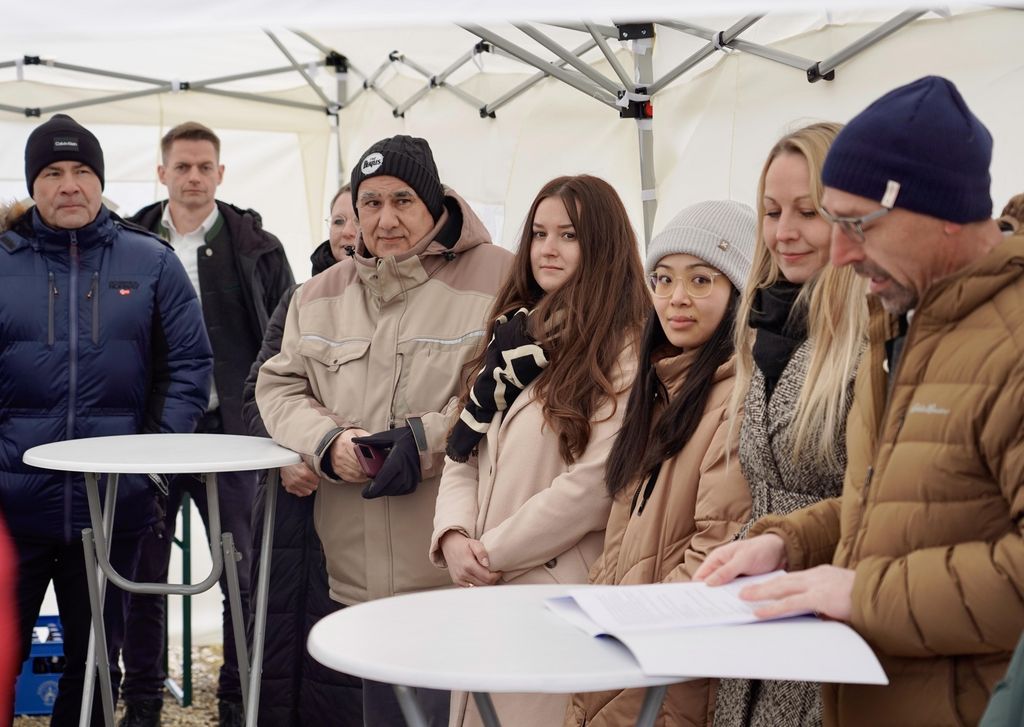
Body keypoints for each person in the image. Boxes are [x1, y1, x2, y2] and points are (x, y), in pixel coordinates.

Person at [695, 76, 1024, 726]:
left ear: (945, 213)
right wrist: (791, 541)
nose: (840, 254)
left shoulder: (1011, 342)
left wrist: (863, 594)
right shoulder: (903, 325)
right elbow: (894, 507)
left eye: (857, 225)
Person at [256, 135, 514, 727]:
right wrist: (326, 445)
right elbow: (278, 388)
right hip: (354, 569)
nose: (385, 218)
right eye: (369, 202)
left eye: (402, 200)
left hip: (458, 563)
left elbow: (509, 388)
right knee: (385, 713)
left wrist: (422, 441)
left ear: (434, 204)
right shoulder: (318, 294)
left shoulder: (498, 275)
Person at [0, 114, 211, 726]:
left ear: (100, 180)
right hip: (12, 509)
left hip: (110, 510)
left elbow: (190, 365)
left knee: (94, 667)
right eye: (53, 173)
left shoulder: (151, 262)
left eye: (83, 171)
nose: (70, 185)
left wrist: (150, 461)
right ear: (33, 186)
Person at [430, 175, 648, 727]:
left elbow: (594, 484)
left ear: (602, 245)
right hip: (485, 579)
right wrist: (454, 537)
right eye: (539, 233)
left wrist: (491, 553)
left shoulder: (625, 348)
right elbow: (464, 450)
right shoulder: (512, 336)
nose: (548, 249)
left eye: (569, 235)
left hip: (552, 587)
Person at [120, 121, 294, 727]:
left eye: (204, 167)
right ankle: (140, 699)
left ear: (221, 174)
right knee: (143, 576)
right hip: (155, 437)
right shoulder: (130, 240)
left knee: (243, 574)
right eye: (182, 166)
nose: (194, 177)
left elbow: (284, 343)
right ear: (162, 172)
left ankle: (236, 696)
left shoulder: (258, 246)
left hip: (235, 438)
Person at [565, 200, 755, 727]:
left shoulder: (737, 398)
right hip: (623, 654)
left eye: (701, 280)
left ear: (740, 291)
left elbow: (715, 550)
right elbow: (619, 542)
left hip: (665, 669)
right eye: (663, 279)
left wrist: (625, 634)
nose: (676, 299)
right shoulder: (661, 389)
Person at [713, 122, 868, 727]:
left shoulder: (869, 344)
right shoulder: (760, 330)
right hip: (757, 622)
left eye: (808, 212)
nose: (783, 233)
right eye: (772, 211)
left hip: (831, 626)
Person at [239, 185, 362, 726]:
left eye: (360, 218)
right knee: (280, 642)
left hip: (362, 506)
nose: (350, 232)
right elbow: (257, 396)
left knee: (345, 659)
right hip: (292, 507)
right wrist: (287, 455)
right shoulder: (301, 298)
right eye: (339, 220)